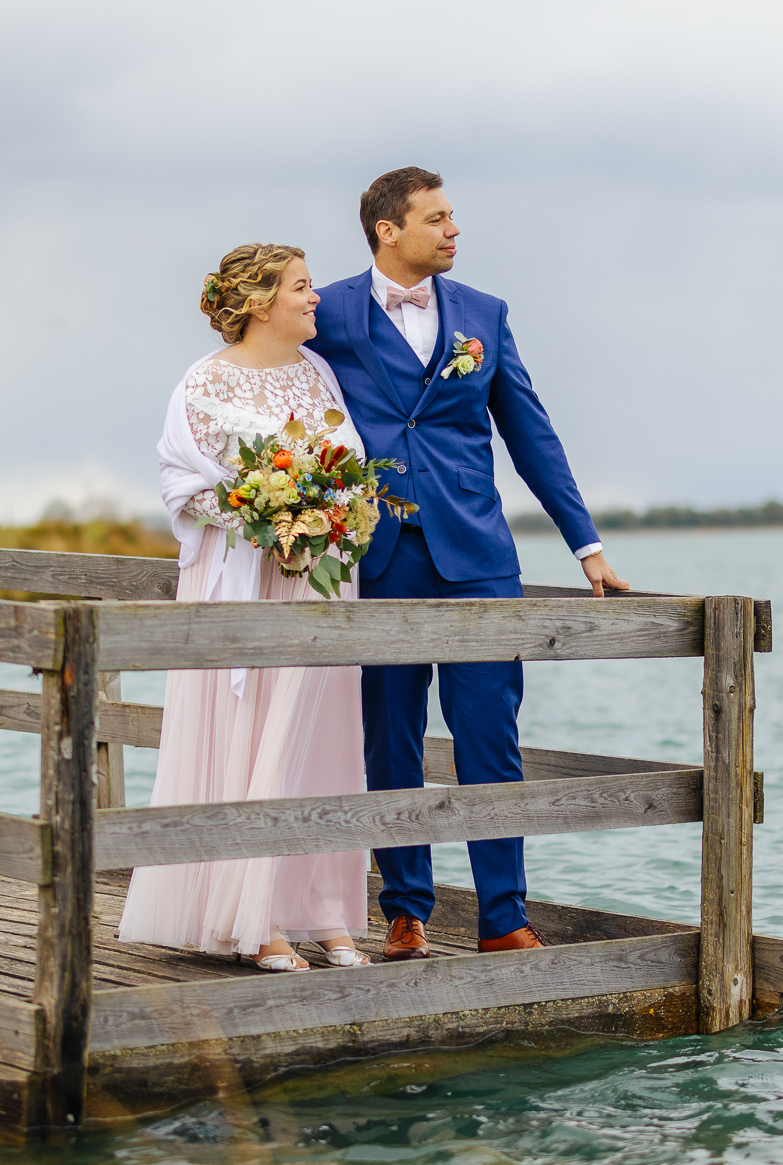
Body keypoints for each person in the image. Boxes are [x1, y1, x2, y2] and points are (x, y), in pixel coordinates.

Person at [310, 166, 628, 959]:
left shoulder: (485, 315)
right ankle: (406, 912)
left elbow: (531, 434)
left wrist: (586, 546)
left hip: (478, 555)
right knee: (391, 740)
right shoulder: (331, 312)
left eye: (454, 218)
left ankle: (503, 919)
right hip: (377, 556)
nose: (454, 231)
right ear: (389, 230)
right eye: (438, 218)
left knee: (491, 739)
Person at [115, 244, 371, 973]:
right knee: (255, 733)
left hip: (320, 579)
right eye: (301, 287)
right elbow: (179, 483)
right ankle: (254, 918)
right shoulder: (204, 382)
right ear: (260, 302)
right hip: (244, 578)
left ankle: (323, 911)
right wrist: (259, 514)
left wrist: (329, 516)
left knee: (322, 740)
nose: (315, 298)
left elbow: (346, 470)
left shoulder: (317, 373)